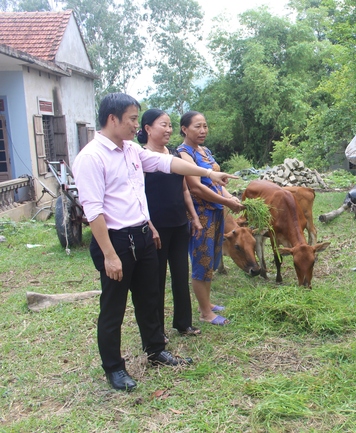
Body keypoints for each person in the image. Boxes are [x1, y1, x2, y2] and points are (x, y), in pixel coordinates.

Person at [73, 93, 238, 391]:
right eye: (133, 119)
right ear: (113, 119)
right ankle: (114, 368)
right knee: (113, 307)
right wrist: (110, 255)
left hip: (143, 236)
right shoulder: (91, 157)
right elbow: (94, 211)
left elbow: (169, 165)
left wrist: (209, 172)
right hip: (116, 241)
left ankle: (156, 350)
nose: (137, 125)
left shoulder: (132, 151)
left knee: (150, 299)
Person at [137, 109, 202, 340]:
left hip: (178, 224)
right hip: (156, 229)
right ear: (147, 129)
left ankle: (183, 323)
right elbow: (138, 196)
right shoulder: (141, 158)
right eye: (163, 125)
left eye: (170, 125)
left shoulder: (173, 155)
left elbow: (184, 189)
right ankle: (157, 331)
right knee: (155, 280)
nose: (169, 129)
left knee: (180, 274)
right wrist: (149, 225)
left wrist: (193, 217)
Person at [177, 111, 244, 326]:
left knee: (212, 259)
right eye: (197, 126)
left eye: (205, 126)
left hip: (216, 211)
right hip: (200, 215)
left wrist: (229, 196)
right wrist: (226, 202)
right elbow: (196, 187)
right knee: (201, 261)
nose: (203, 130)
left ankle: (205, 303)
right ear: (184, 129)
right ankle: (206, 313)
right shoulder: (183, 154)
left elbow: (217, 183)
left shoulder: (205, 151)